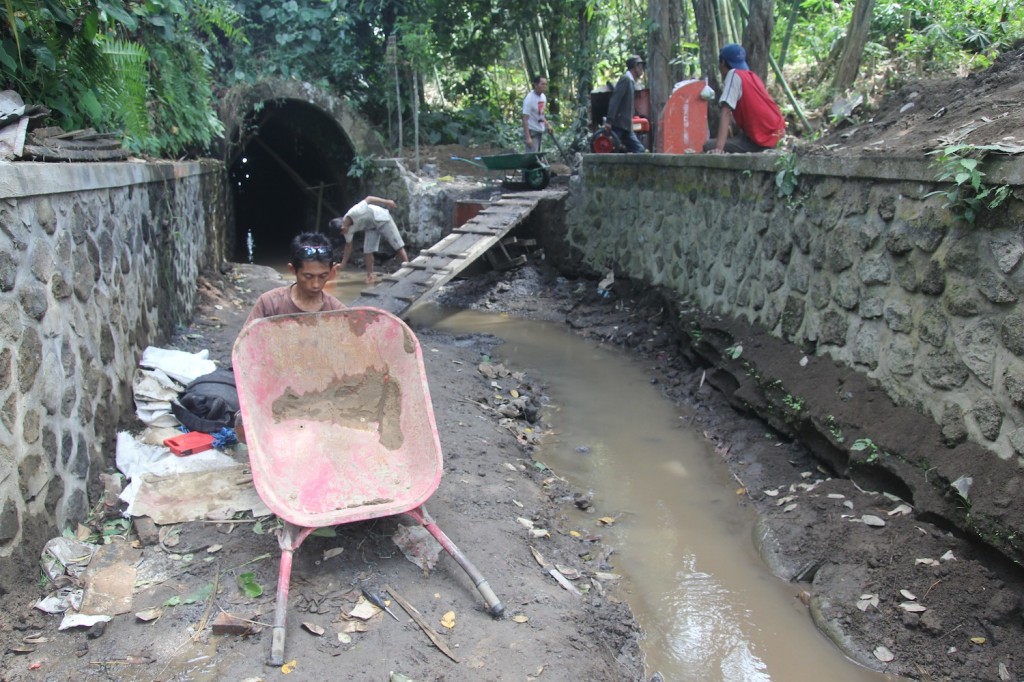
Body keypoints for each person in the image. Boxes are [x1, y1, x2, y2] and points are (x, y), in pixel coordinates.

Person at [236, 232, 346, 442]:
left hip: (318, 390)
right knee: (245, 428)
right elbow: (246, 349)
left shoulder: (337, 311)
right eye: (307, 276)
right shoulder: (270, 304)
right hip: (274, 387)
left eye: (322, 276)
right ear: (292, 270)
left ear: (333, 271)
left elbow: (347, 359)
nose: (315, 284)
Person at [703, 44, 785, 154]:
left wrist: (719, 148)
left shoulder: (732, 74)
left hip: (762, 140)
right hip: (776, 132)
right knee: (736, 139)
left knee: (707, 145)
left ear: (722, 62)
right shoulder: (751, 76)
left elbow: (726, 111)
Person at [329, 196, 411, 285]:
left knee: (398, 245)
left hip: (381, 218)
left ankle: (408, 269)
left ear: (342, 226)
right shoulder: (346, 230)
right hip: (370, 227)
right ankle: (370, 276)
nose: (343, 234)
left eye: (342, 232)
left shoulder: (354, 211)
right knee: (367, 251)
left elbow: (369, 199)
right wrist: (343, 264)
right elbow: (348, 246)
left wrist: (387, 202)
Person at [604, 55, 646, 154]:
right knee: (611, 150)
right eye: (640, 66)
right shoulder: (626, 80)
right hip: (619, 125)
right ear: (635, 67)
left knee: (637, 150)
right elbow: (615, 100)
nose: (642, 70)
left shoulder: (630, 81)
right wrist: (609, 120)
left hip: (625, 126)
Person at [522, 75, 552, 152]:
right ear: (535, 85)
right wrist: (528, 137)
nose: (544, 86)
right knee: (532, 158)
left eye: (545, 84)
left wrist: (547, 125)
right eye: (542, 84)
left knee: (538, 156)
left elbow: (540, 114)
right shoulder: (529, 99)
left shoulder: (543, 97)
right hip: (532, 132)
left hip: (539, 131)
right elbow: (525, 119)